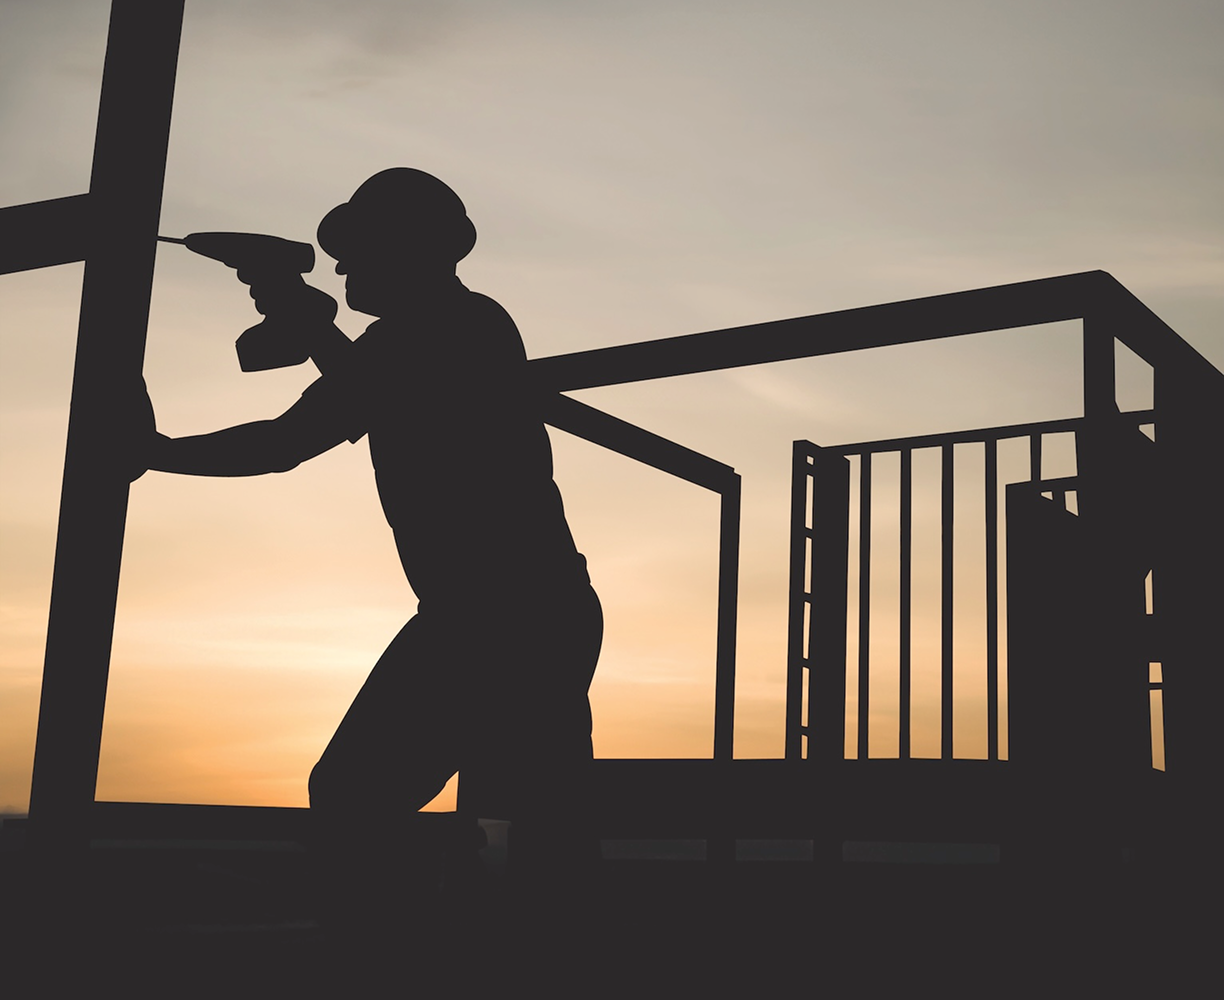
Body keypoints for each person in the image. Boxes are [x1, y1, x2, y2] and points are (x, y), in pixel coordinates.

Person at [144, 168, 603, 931]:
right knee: (536, 822)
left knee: (360, 791)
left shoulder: (458, 328)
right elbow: (343, 403)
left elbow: (287, 441)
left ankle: (397, 938)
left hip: (498, 616)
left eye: (357, 254)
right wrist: (310, 325)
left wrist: (153, 451)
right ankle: (463, 927)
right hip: (518, 610)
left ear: (410, 252)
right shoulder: (418, 339)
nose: (344, 269)